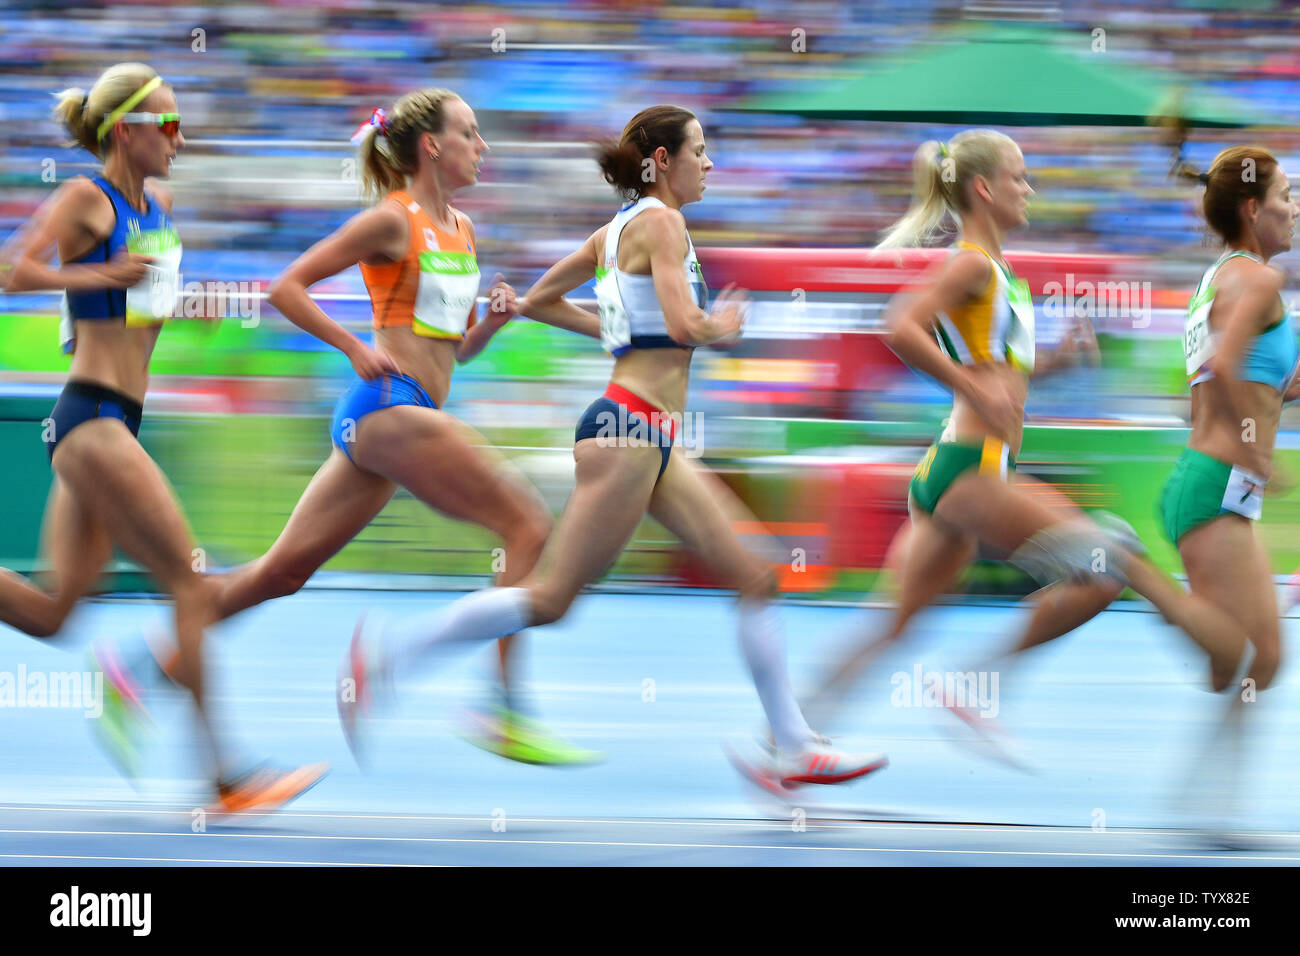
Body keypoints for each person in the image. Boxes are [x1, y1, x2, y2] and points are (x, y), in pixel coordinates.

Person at [341, 105, 887, 790]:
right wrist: (718, 327)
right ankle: (389, 659)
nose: (711, 163)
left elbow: (538, 302)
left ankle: (792, 747)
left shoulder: (616, 230)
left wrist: (629, 332)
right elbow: (686, 322)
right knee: (549, 599)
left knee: (756, 576)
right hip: (627, 431)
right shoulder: (662, 222)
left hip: (645, 435)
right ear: (662, 162)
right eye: (700, 150)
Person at [109, 88, 597, 766]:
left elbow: (453, 352)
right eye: (471, 134)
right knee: (528, 524)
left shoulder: (462, 229)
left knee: (280, 574)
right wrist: (353, 345)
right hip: (386, 408)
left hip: (408, 413)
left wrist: (493, 320)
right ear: (432, 146)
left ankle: (136, 674)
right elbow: (287, 288)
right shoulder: (392, 220)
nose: (483, 148)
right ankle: (501, 703)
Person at [799, 130, 1248, 767]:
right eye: (1020, 176)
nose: (1029, 188)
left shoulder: (1001, 273)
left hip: (955, 470)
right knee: (1109, 556)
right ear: (985, 189)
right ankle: (986, 680)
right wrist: (968, 388)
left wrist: (1056, 364)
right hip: (970, 473)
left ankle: (791, 740)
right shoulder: (973, 264)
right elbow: (899, 325)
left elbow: (998, 376)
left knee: (893, 625)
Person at [0, 62, 325, 811]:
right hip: (90, 418)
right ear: (126, 130)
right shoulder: (86, 197)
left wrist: (191, 305)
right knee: (188, 582)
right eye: (169, 123)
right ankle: (226, 780)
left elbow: (145, 303)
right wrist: (101, 275)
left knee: (54, 615)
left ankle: (168, 727)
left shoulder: (163, 204)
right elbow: (15, 271)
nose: (182, 136)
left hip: (116, 419)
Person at [1163, 145, 1299, 839]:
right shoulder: (1260, 280)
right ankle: (1128, 568)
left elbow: (1273, 379)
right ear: (1252, 208)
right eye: (1285, 196)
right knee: (1250, 656)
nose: (1295, 208)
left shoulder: (1225, 276)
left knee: (1257, 660)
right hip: (1218, 480)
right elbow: (1222, 364)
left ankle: (1208, 803)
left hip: (1214, 486)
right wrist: (1255, 453)